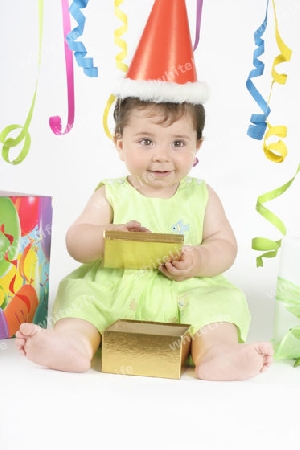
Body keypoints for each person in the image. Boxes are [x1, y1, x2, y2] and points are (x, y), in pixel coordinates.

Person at [16, 97, 273, 380]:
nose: (161, 156)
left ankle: (216, 352)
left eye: (177, 143)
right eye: (146, 141)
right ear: (120, 144)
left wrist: (199, 259)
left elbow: (224, 245)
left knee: (221, 302)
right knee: (82, 296)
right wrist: (107, 237)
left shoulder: (202, 195)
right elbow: (76, 241)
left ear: (196, 146)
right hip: (116, 286)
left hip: (184, 291)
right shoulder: (111, 194)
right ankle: (74, 343)